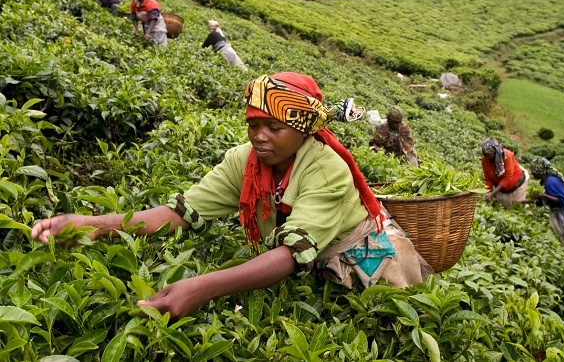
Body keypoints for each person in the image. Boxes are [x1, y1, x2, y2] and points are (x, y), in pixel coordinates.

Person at [31, 72, 432, 320]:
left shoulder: (326, 168)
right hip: (311, 257)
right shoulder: (245, 161)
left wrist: (201, 287)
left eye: (274, 127)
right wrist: (93, 224)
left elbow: (292, 254)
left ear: (304, 128)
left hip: (365, 259)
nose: (259, 136)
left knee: (386, 322)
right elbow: (177, 214)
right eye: (253, 124)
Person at [480, 139, 529, 209]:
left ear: (495, 152)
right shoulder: (484, 160)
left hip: (517, 184)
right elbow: (488, 179)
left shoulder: (506, 156)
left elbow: (507, 177)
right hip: (502, 187)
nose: (487, 158)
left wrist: (492, 194)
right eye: (485, 155)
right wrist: (484, 192)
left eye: (489, 155)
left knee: (517, 207)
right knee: (504, 207)